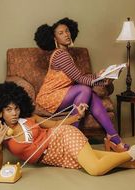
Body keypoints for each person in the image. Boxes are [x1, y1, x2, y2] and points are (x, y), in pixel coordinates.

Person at [0, 82, 135, 175]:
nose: (14, 113)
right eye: (8, 109)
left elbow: (55, 125)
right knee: (111, 163)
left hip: (63, 137)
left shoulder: (29, 117)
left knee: (96, 169)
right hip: (54, 157)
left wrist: (77, 115)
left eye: (16, 108)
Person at [34, 17, 127, 152]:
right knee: (84, 89)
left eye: (67, 31)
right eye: (61, 33)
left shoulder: (66, 53)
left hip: (63, 93)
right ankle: (74, 139)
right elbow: (79, 79)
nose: (66, 34)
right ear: (54, 38)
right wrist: (102, 80)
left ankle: (113, 137)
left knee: (91, 94)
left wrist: (98, 75)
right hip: (50, 97)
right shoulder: (61, 55)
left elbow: (78, 76)